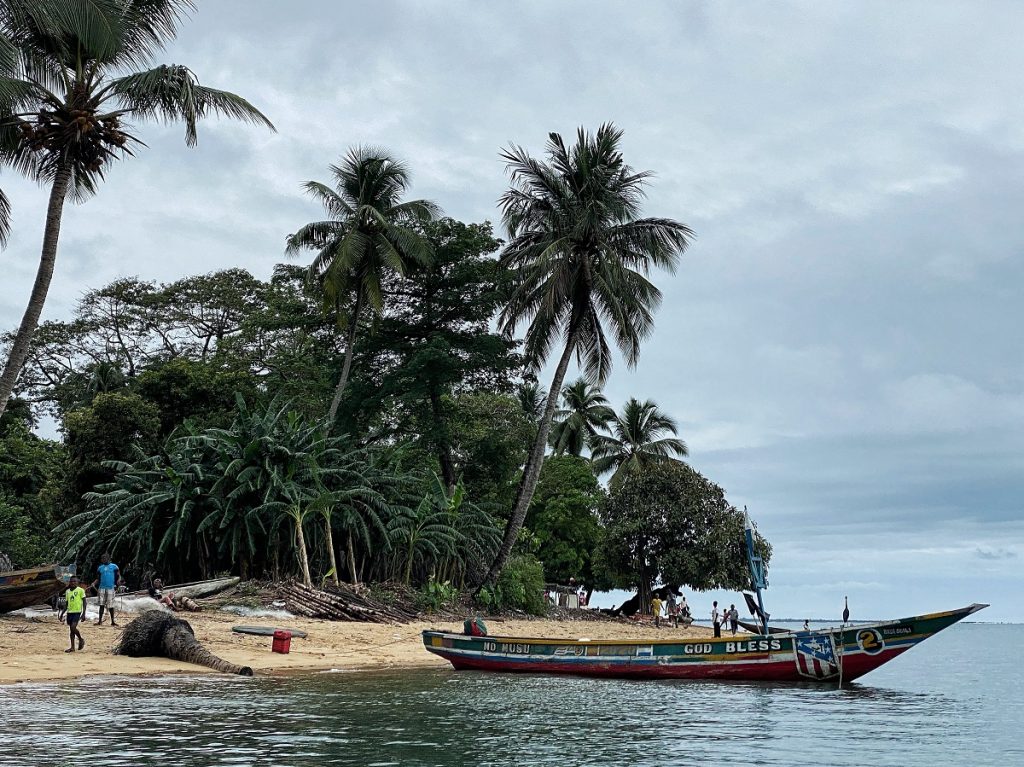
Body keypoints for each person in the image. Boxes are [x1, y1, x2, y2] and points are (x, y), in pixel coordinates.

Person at [90, 552, 122, 626]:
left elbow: (119, 575)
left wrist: (118, 580)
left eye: (104, 558)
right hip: (101, 588)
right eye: (102, 558)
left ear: (108, 558)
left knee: (111, 606)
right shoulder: (100, 568)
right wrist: (94, 583)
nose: (103, 559)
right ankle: (100, 621)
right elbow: (98, 578)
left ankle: (113, 621)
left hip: (111, 588)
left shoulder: (114, 566)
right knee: (101, 605)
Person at [64, 576, 86, 653]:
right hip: (69, 612)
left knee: (73, 627)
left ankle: (80, 639)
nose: (73, 583)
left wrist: (83, 613)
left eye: (74, 581)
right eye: (71, 581)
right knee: (71, 630)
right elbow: (66, 604)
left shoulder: (81, 590)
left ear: (77, 582)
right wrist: (62, 613)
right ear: (69, 582)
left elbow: (84, 602)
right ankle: (72, 647)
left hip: (77, 611)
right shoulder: (67, 592)